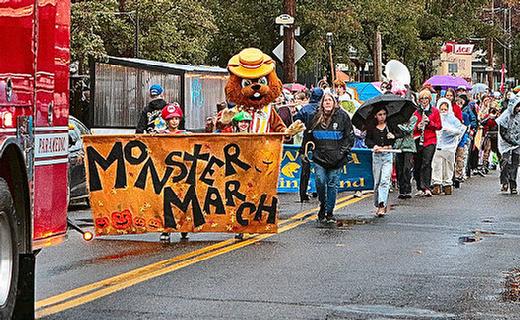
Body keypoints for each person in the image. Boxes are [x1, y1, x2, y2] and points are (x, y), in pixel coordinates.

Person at [308, 93, 354, 224]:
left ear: (334, 102)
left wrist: (341, 153)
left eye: (330, 100)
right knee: (320, 181)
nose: (327, 102)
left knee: (332, 184)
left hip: (337, 158)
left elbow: (349, 136)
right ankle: (323, 204)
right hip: (319, 157)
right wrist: (304, 151)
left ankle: (329, 212)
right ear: (322, 103)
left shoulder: (343, 116)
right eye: (325, 100)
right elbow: (308, 135)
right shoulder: (315, 117)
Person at [158, 103, 190, 242]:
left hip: (182, 174)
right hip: (166, 173)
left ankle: (184, 227)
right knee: (166, 202)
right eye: (171, 119)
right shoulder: (160, 135)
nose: (174, 121)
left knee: (184, 200)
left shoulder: (185, 134)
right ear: (167, 121)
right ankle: (167, 229)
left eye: (177, 118)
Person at [365, 106, 402, 216]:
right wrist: (374, 146)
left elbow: (400, 133)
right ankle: (377, 203)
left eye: (384, 114)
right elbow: (367, 140)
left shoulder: (390, 125)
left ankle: (382, 204)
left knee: (385, 180)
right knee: (377, 182)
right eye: (380, 114)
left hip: (387, 154)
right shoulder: (371, 127)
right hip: (377, 156)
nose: (382, 117)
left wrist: (393, 136)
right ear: (375, 116)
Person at [294, 87, 324, 202]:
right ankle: (319, 192)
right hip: (321, 141)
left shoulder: (305, 109)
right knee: (320, 168)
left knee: (305, 170)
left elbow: (296, 120)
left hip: (306, 141)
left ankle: (303, 194)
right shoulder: (324, 109)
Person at [431, 98, 466, 195]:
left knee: (448, 165)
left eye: (445, 109)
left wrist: (451, 132)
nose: (443, 112)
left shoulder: (453, 119)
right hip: (438, 145)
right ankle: (437, 183)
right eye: (441, 109)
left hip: (450, 147)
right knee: (437, 165)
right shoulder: (436, 117)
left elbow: (460, 129)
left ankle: (447, 184)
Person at [413, 89, 442, 197]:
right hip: (418, 139)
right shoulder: (416, 112)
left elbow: (439, 126)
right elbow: (412, 128)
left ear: (429, 99)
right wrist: (418, 126)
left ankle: (426, 187)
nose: (424, 101)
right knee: (417, 164)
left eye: (426, 98)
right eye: (421, 99)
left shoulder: (434, 111)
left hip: (430, 140)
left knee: (427, 162)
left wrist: (430, 122)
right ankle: (419, 186)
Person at [496, 96, 520, 195]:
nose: (518, 109)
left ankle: (513, 184)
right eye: (517, 107)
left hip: (518, 143)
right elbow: (503, 132)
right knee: (505, 162)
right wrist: (511, 141)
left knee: (515, 163)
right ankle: (504, 181)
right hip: (506, 143)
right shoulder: (505, 116)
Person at [394, 113, 418, 199]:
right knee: (399, 169)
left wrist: (399, 126)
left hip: (409, 147)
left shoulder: (413, 118)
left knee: (407, 168)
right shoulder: (397, 119)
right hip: (398, 146)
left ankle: (408, 189)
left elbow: (409, 129)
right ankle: (401, 190)